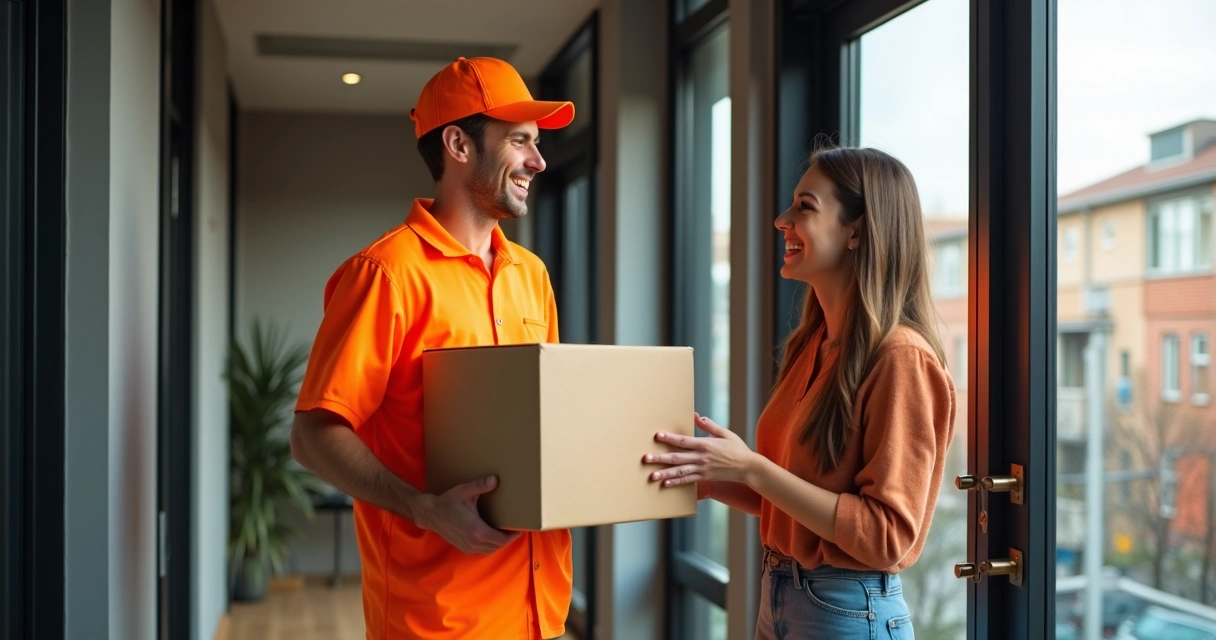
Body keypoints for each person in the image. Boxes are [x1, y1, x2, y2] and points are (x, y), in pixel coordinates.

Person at [290, 57, 576, 640]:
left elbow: (541, 424)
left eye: (538, 143)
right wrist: (423, 508)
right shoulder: (386, 274)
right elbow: (313, 435)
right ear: (457, 144)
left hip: (538, 612)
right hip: (435, 620)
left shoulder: (532, 274)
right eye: (520, 141)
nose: (538, 162)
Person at [645, 145, 957, 639]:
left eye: (804, 207)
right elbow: (799, 496)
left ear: (858, 230)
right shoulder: (814, 344)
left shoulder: (902, 358)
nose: (781, 219)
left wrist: (749, 466)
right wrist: (711, 478)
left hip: (848, 612)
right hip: (783, 596)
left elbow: (886, 536)